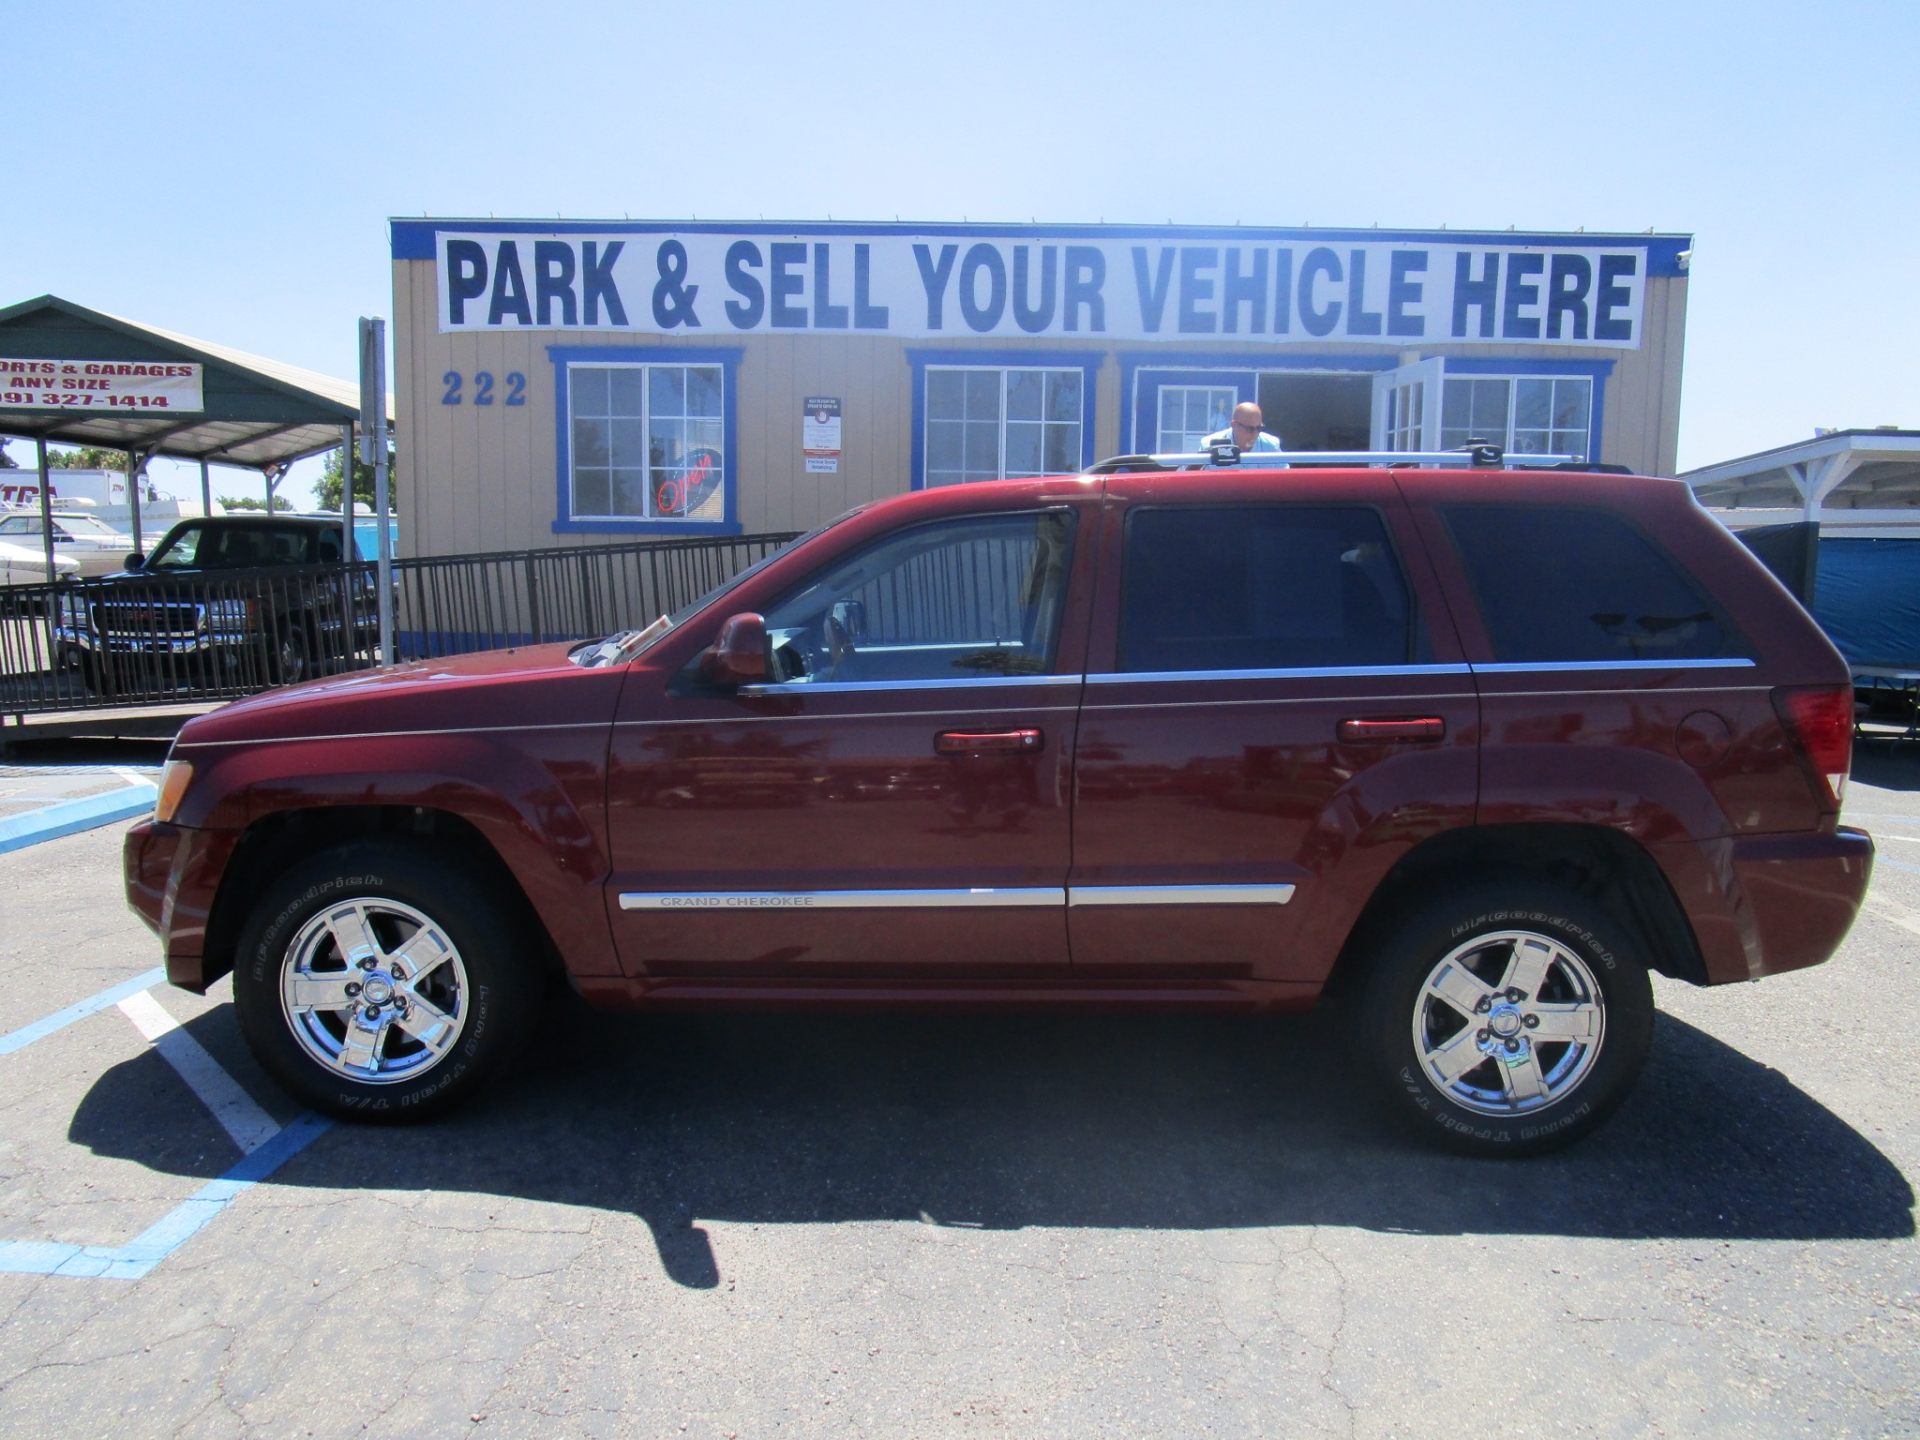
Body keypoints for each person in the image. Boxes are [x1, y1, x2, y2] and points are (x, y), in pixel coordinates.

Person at [1201, 401, 1283, 454]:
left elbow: (1285, 479)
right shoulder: (1209, 446)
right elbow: (1195, 477)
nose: (1255, 434)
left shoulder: (1271, 447)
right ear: (1234, 425)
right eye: (1250, 429)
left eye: (1258, 428)